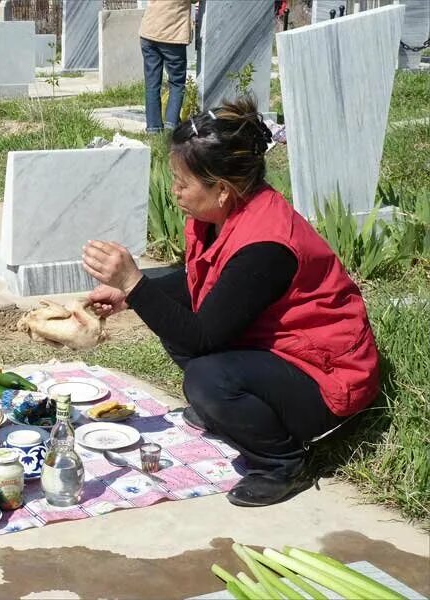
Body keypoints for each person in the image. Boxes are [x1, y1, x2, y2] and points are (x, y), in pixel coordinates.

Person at [83, 98, 380, 508]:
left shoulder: (266, 245)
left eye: (182, 182)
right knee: (172, 322)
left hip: (327, 380)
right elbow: (199, 282)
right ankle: (239, 413)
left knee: (207, 377)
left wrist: (136, 282)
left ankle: (282, 462)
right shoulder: (220, 216)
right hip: (280, 355)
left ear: (221, 189)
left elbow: (204, 336)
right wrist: (129, 297)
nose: (174, 191)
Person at [139, 0, 191, 134]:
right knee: (177, 83)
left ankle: (153, 128)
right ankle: (171, 125)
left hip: (149, 31)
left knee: (152, 84)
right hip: (172, 36)